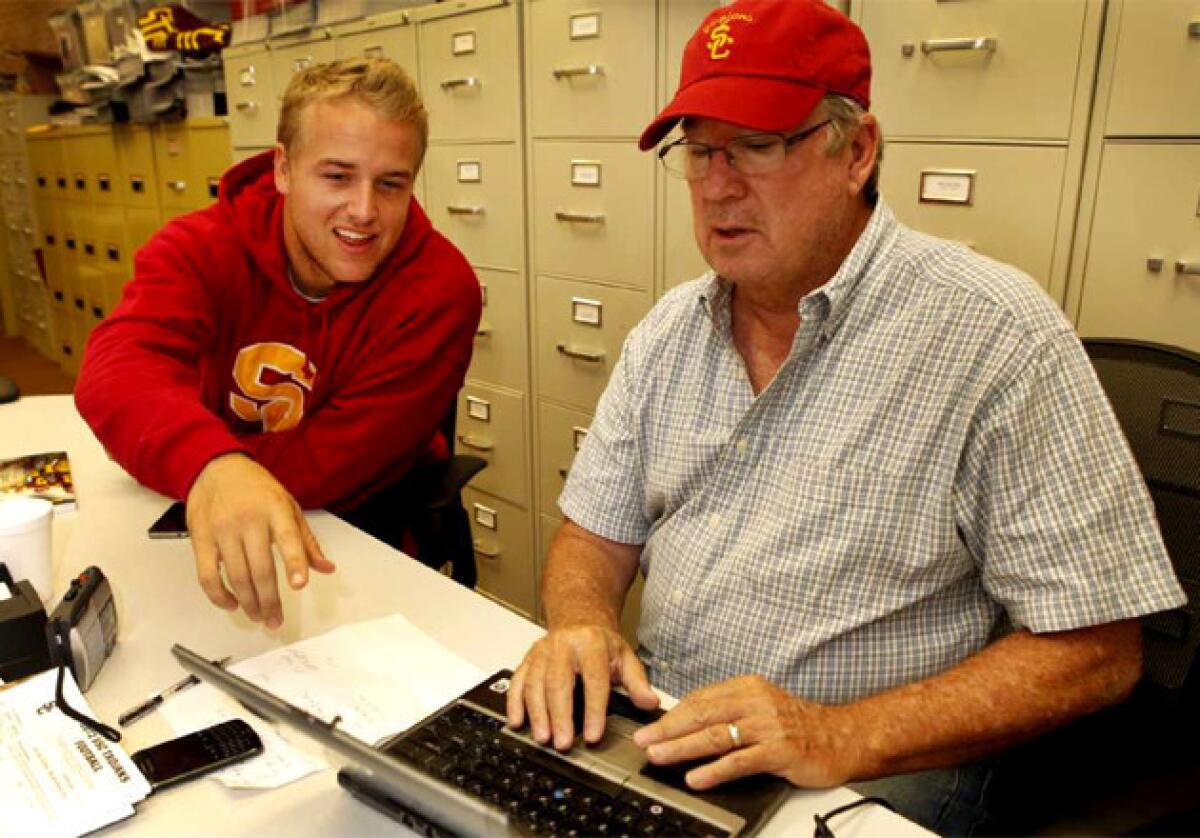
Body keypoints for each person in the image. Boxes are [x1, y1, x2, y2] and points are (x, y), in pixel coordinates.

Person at [504, 1, 1185, 832]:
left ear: (856, 150)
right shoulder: (671, 332)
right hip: (673, 727)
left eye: (757, 145)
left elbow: (1099, 654)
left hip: (875, 769)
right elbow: (593, 536)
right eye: (700, 150)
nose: (719, 184)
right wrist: (582, 624)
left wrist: (836, 732)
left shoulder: (993, 334)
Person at [75, 58, 481, 630]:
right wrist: (211, 466)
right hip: (212, 508)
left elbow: (332, 464)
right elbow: (116, 368)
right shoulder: (199, 247)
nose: (364, 211)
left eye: (391, 183)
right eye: (337, 176)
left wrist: (190, 459)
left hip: (362, 535)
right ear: (283, 169)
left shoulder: (440, 290)